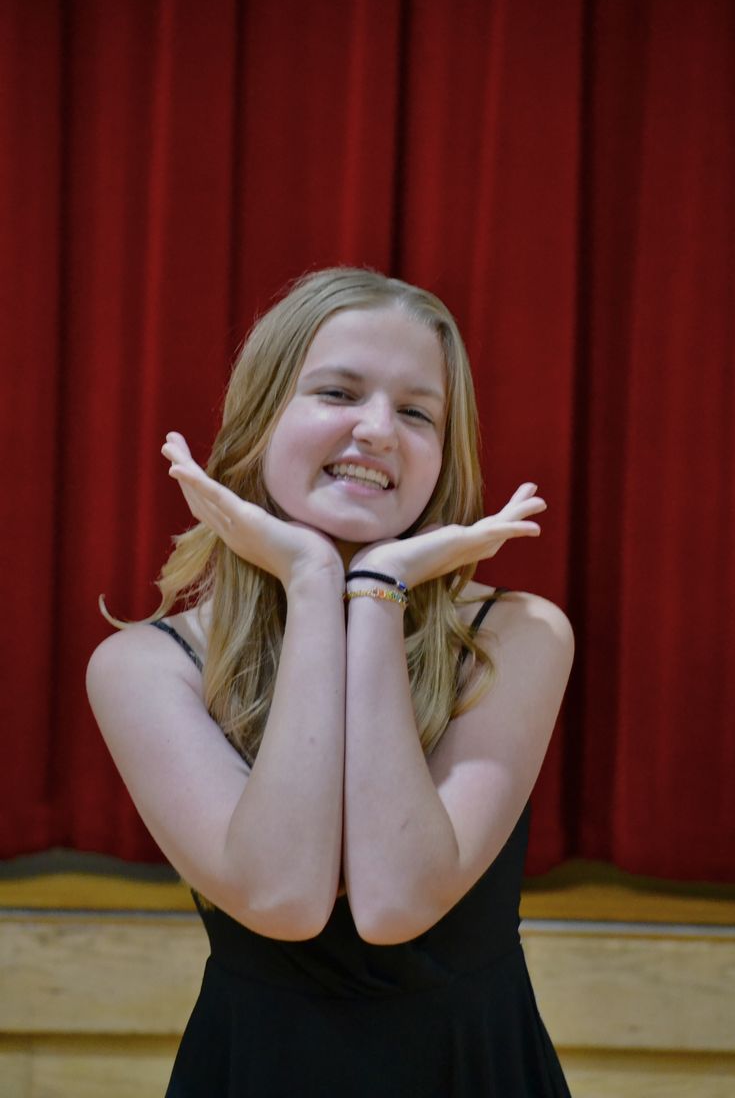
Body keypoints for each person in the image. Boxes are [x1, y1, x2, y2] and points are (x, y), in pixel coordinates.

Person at [86, 267, 574, 1096]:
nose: (378, 430)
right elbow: (285, 898)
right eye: (339, 392)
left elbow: (393, 903)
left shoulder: (519, 634)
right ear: (262, 417)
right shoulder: (146, 664)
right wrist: (314, 580)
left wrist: (375, 589)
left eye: (417, 411)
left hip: (475, 1070)